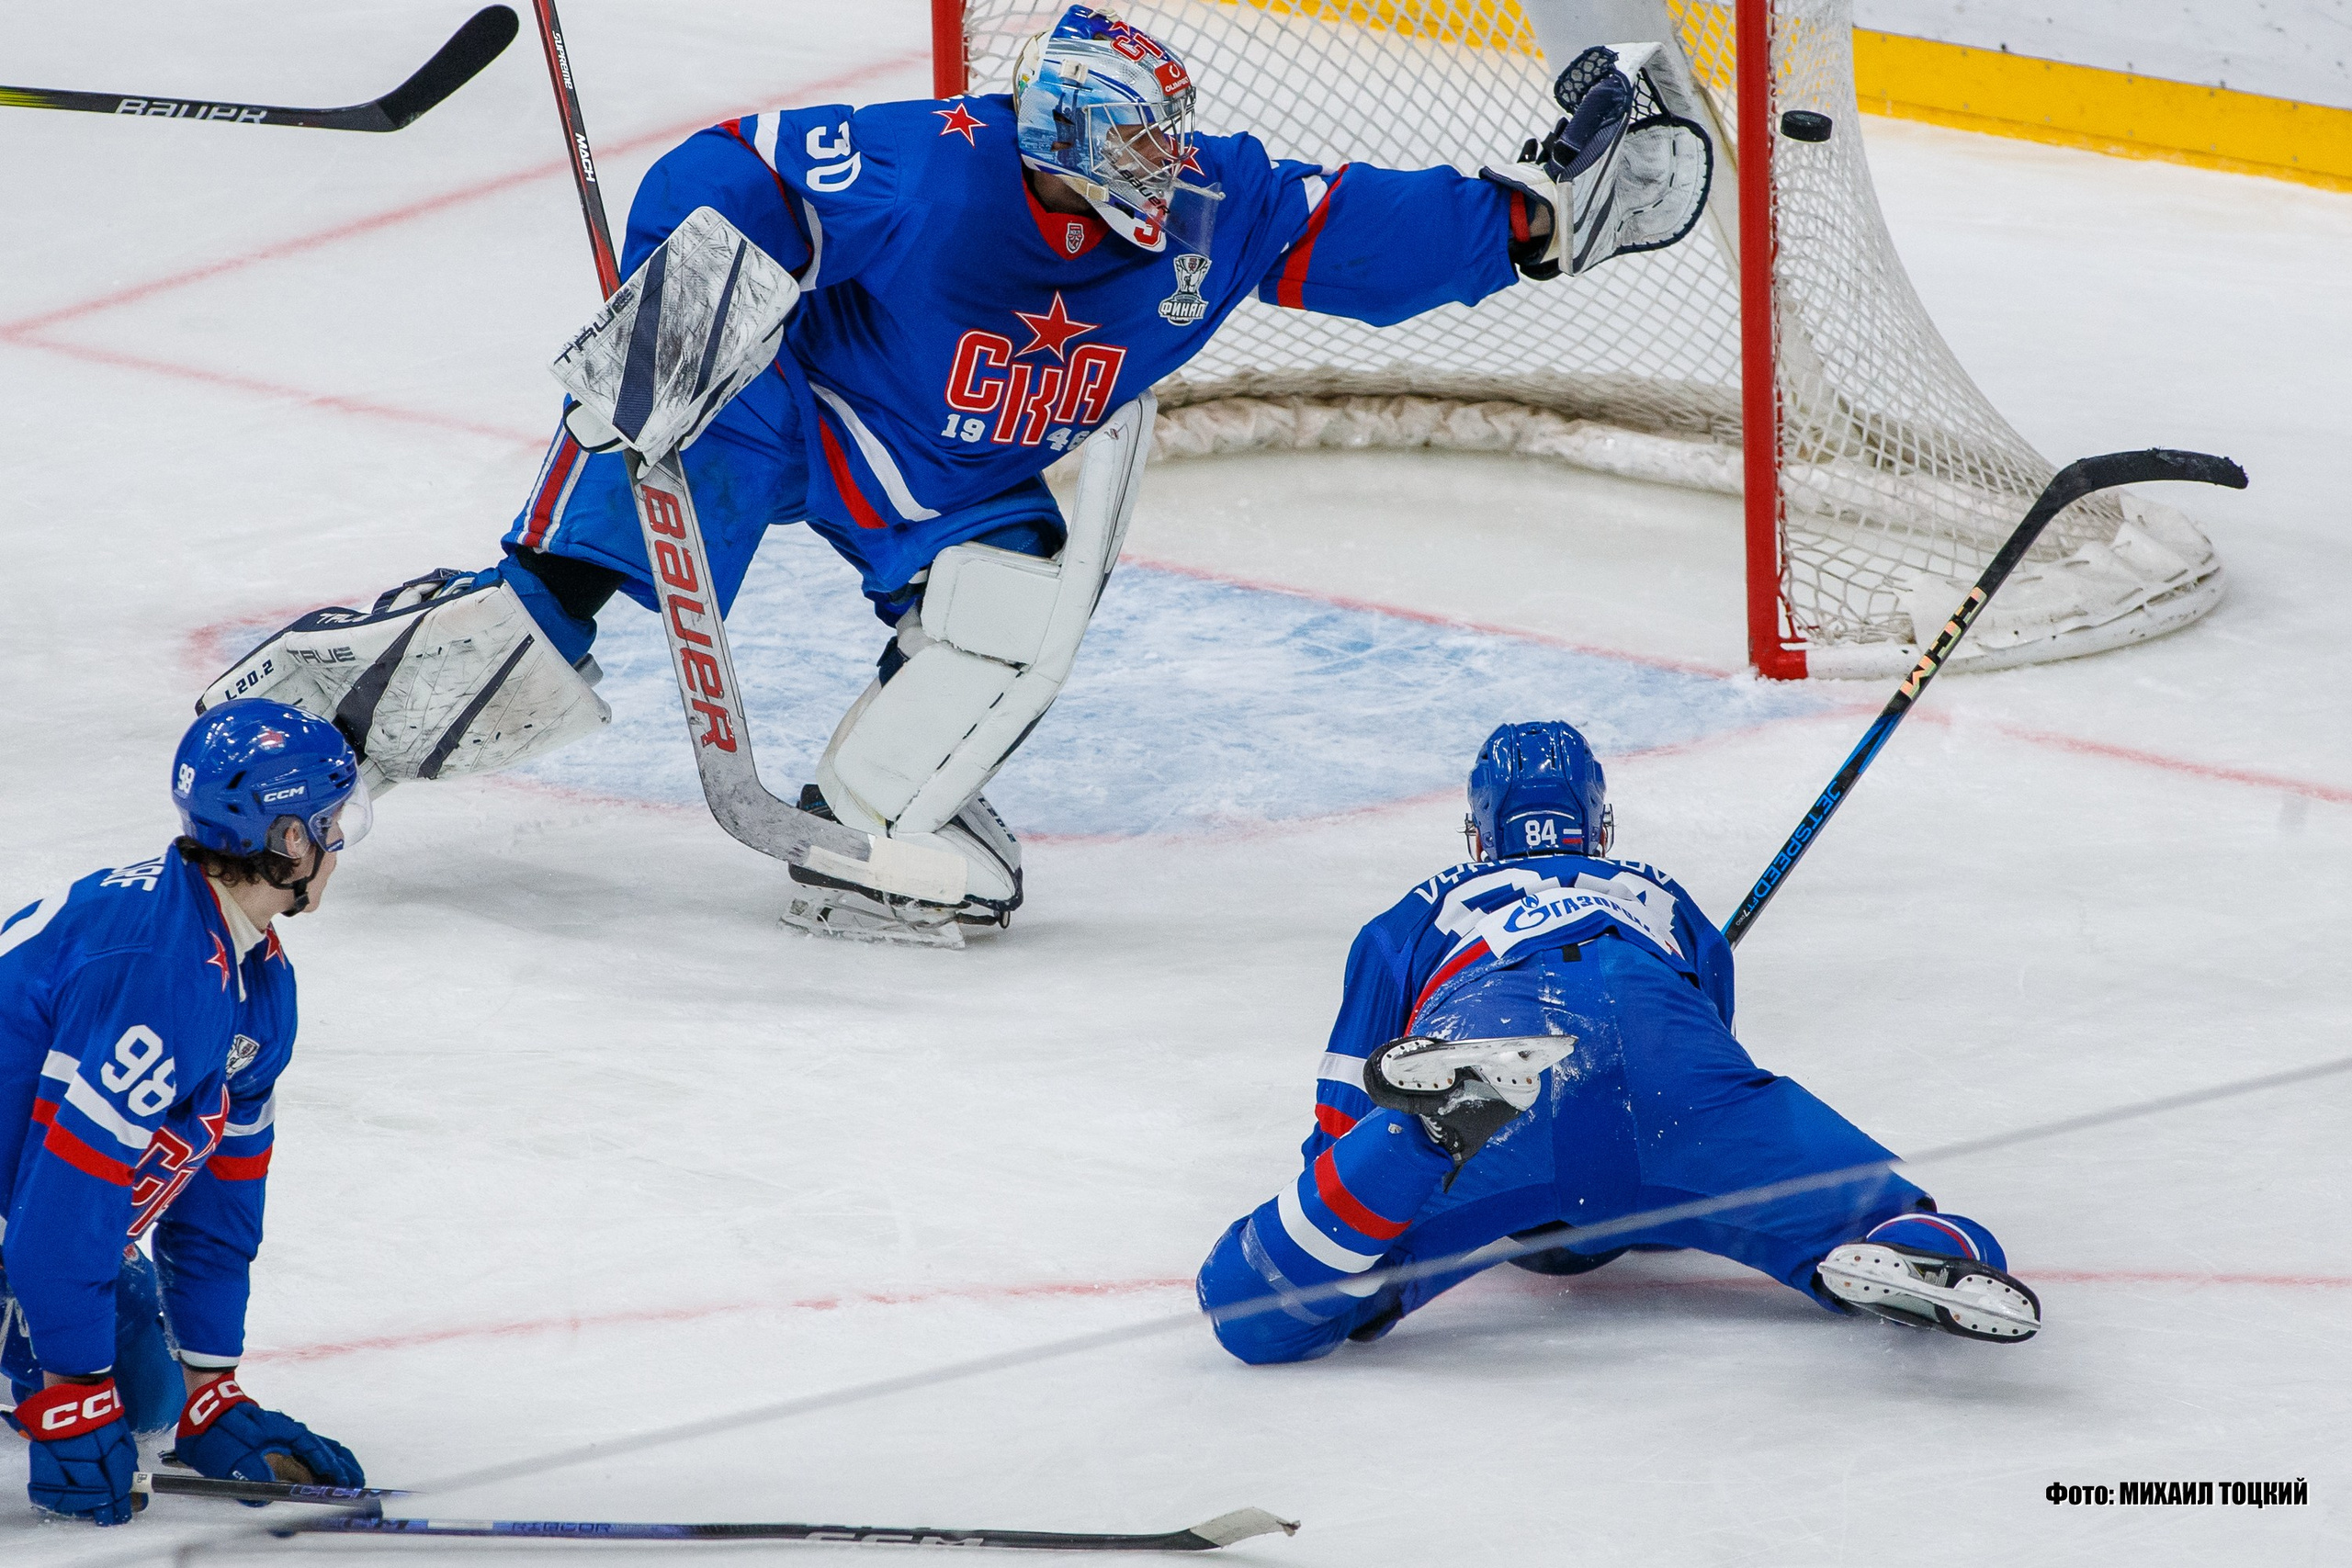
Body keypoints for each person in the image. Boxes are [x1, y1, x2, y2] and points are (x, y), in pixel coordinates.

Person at [194, 6, 1711, 944]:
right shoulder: (931, 166)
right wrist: (686, 304)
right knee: (558, 608)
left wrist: (1534, 223)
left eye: (1168, 149)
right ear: (1057, 149)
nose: (1166, 176)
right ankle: (318, 731)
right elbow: (728, 169)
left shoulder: (1209, 208)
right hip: (784, 403)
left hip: (949, 477)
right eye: (1135, 156)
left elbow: (1362, 230)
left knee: (1009, 614)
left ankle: (864, 821)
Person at [1195, 720, 2041, 1364]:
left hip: (1497, 1026)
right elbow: (1709, 1047)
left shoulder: (1415, 912)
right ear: (1597, 825)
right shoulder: (1662, 897)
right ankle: (1930, 1250)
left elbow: (1336, 1125)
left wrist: (1378, 1177)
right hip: (1666, 1057)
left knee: (1252, 1305)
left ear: (1479, 834)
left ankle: (1432, 1131)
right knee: (1881, 1213)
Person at [1, 702, 369, 1525]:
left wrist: (213, 1387)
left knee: (153, 1389)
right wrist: (72, 1393)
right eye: (332, 821)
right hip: (23, 1221)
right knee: (92, 1373)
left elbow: (219, 1203)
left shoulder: (255, 979)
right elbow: (62, 1210)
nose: (341, 841)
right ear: (290, 838)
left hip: (19, 1217)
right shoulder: (159, 975)